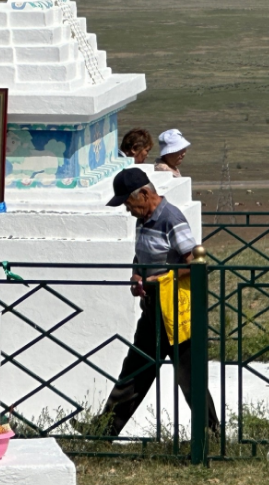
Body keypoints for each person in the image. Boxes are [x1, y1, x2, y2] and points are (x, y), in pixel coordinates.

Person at [98, 168, 219, 435]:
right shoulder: (143, 219)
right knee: (133, 372)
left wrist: (158, 280)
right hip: (152, 309)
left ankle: (210, 434)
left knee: (189, 378)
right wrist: (136, 275)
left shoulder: (171, 218)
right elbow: (141, 257)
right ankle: (102, 432)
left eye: (129, 203)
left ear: (144, 193)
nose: (128, 210)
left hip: (175, 311)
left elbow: (195, 264)